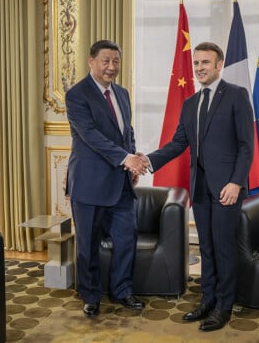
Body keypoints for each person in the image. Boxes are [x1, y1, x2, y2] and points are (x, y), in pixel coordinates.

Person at [144, 42, 254, 331]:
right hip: (201, 188)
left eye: (206, 62)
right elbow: (179, 143)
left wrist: (236, 182)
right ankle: (207, 300)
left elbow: (246, 145)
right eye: (197, 63)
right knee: (206, 247)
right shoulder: (190, 103)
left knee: (224, 247)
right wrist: (147, 161)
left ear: (219, 65)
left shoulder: (237, 96)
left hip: (227, 189)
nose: (200, 68)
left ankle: (224, 306)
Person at [65, 39, 148, 317]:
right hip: (89, 185)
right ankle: (90, 296)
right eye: (105, 61)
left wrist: (132, 162)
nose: (111, 67)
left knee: (126, 239)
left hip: (120, 183)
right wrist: (126, 159)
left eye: (116, 61)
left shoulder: (122, 93)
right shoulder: (77, 95)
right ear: (91, 62)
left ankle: (122, 291)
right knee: (87, 245)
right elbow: (91, 136)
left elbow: (127, 131)